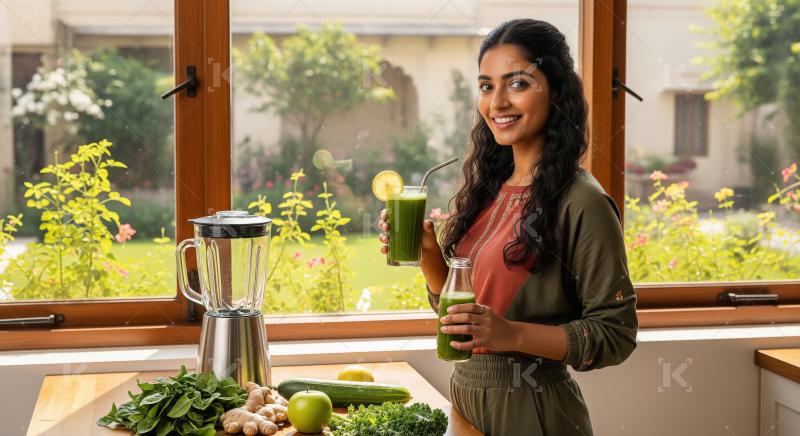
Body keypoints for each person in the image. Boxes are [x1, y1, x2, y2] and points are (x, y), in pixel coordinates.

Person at [377, 18, 638, 435]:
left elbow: (616, 334)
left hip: (534, 411)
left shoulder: (582, 200)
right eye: (486, 86)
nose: (496, 102)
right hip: (466, 397)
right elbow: (467, 320)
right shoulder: (489, 189)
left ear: (556, 91)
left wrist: (511, 334)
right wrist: (429, 256)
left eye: (517, 84)